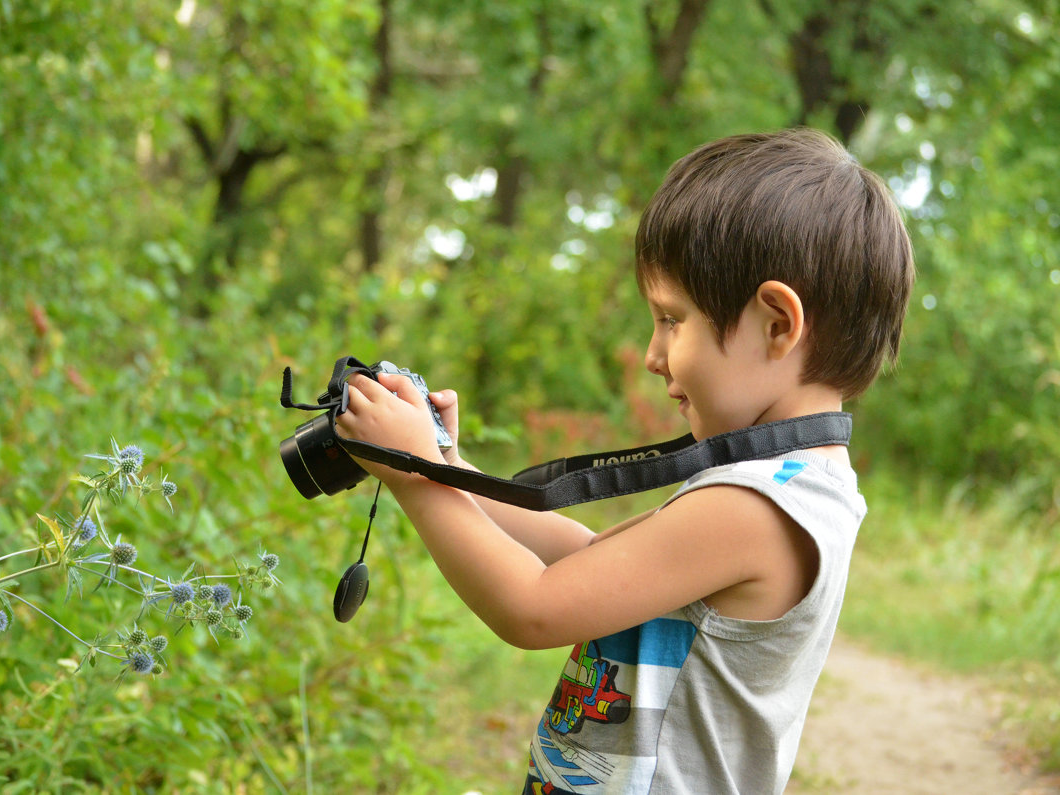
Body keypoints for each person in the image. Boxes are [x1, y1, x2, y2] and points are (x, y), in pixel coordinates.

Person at [334, 127, 914, 794]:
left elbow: (534, 607)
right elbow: (585, 558)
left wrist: (413, 477)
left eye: (673, 319)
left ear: (778, 324)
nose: (652, 352)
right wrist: (448, 465)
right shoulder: (779, 483)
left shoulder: (757, 505)